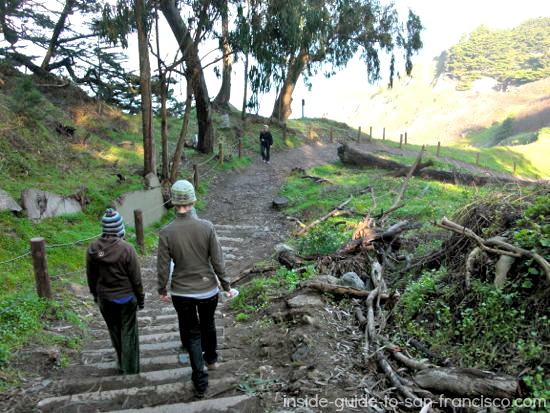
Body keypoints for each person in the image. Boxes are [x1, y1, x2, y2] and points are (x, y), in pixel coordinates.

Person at [157, 180, 233, 398]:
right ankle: (211, 360)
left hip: (181, 293)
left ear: (172, 202)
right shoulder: (207, 227)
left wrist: (162, 289)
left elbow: (163, 266)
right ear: (193, 200)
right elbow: (218, 261)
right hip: (207, 289)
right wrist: (226, 285)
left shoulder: (166, 232)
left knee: (192, 333)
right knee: (208, 323)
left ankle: (199, 380)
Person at [86, 208, 144, 375]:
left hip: (105, 298)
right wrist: (140, 299)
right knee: (129, 333)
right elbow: (136, 279)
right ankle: (130, 369)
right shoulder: (127, 249)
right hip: (126, 298)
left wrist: (95, 295)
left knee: (115, 331)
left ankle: (121, 362)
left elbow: (91, 276)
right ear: (120, 228)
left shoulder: (93, 249)